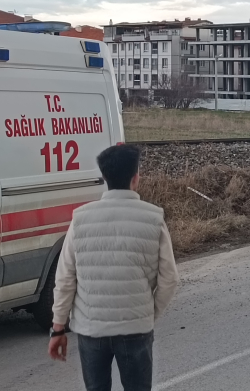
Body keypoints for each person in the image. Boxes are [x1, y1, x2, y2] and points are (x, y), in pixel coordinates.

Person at [48, 145, 179, 391]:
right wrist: (148, 314)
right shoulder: (153, 218)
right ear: (136, 178)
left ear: (104, 177)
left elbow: (65, 279)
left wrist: (57, 328)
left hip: (91, 329)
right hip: (136, 329)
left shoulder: (80, 218)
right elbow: (169, 279)